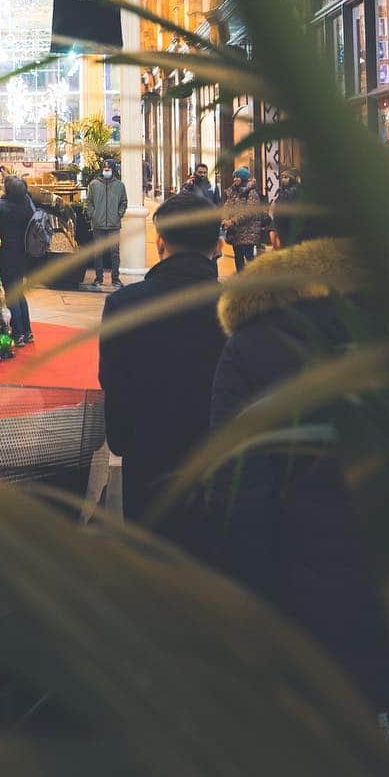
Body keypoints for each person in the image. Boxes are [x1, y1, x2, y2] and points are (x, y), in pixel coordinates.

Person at [209, 189, 389, 724]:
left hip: (303, 581)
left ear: (279, 244)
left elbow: (237, 480)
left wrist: (247, 592)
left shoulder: (256, 340)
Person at [98, 191, 224, 553]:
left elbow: (115, 383)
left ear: (160, 242)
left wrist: (121, 441)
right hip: (220, 460)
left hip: (149, 456)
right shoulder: (237, 305)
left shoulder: (125, 304)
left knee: (151, 559)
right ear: (217, 245)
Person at [0, 173, 44, 347]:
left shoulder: (2, 207)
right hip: (23, 255)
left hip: (7, 255)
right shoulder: (27, 204)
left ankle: (18, 333)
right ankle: (27, 331)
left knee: (11, 294)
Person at [84, 156, 127, 289]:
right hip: (98, 224)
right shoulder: (94, 185)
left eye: (108, 169)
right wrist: (93, 215)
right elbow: (89, 202)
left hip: (114, 225)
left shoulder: (120, 186)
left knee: (115, 253)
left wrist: (119, 215)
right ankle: (98, 278)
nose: (106, 170)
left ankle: (115, 279)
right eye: (104, 168)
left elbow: (123, 202)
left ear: (113, 170)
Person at [220, 164, 269, 271]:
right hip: (235, 232)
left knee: (249, 257)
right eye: (235, 177)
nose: (235, 179)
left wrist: (232, 221)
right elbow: (226, 207)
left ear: (244, 178)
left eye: (238, 177)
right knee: (238, 257)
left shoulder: (251, 192)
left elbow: (249, 212)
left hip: (247, 231)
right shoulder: (232, 192)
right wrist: (224, 219)